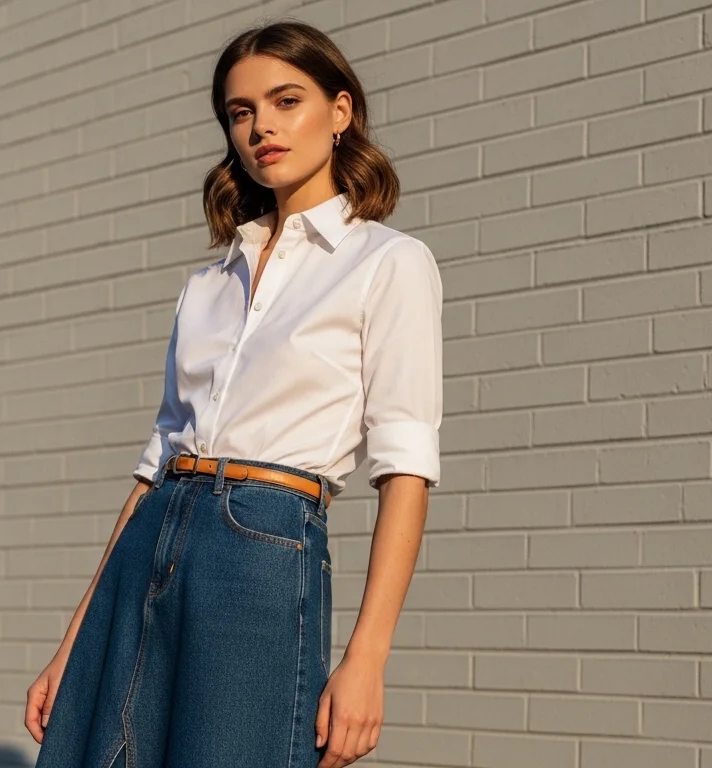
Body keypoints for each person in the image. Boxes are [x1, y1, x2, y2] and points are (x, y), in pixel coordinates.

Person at [25, 18, 443, 768]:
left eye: (286, 101)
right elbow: (155, 468)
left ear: (341, 112)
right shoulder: (207, 285)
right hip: (156, 534)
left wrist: (367, 659)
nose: (261, 128)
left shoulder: (387, 263)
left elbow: (405, 470)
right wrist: (76, 641)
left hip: (262, 545)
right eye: (241, 112)